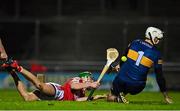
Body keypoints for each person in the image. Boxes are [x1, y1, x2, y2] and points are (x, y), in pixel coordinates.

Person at [107, 27, 173, 104]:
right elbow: (159, 76)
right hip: (137, 86)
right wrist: (165, 95)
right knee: (134, 83)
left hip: (121, 79)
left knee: (110, 97)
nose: (158, 41)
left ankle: (117, 97)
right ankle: (120, 97)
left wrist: (120, 66)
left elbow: (123, 58)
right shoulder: (157, 54)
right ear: (152, 36)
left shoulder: (134, 42)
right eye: (157, 39)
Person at [1, 59, 105, 101]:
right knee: (40, 85)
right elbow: (73, 86)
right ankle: (18, 67)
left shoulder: (82, 92)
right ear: (85, 77)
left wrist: (96, 97)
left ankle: (12, 71)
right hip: (58, 92)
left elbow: (78, 100)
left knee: (26, 97)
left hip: (55, 99)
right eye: (91, 79)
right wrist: (89, 84)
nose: (92, 81)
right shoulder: (79, 80)